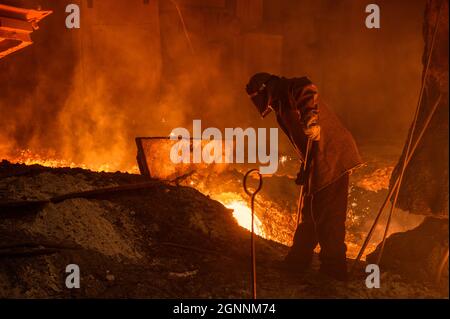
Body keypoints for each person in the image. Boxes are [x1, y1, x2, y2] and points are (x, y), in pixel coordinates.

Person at [245, 72, 362, 281]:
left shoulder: (285, 88)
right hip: (318, 159)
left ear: (264, 89)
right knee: (310, 214)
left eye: (256, 97)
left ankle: (334, 269)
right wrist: (305, 169)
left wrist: (311, 120)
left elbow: (306, 87)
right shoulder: (280, 102)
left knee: (329, 216)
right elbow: (303, 142)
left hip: (332, 155)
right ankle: (298, 260)